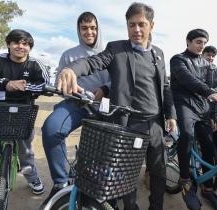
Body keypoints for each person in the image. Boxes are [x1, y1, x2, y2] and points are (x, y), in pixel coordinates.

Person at [55, 3, 177, 210]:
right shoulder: (116, 49)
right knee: (126, 175)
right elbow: (92, 62)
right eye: (131, 25)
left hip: (155, 123)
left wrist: (171, 114)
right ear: (127, 26)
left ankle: (156, 206)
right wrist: (70, 69)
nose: (136, 30)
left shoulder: (158, 53)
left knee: (159, 171)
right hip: (129, 124)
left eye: (142, 24)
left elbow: (165, 86)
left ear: (151, 26)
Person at [40, 11, 112, 206]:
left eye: (93, 28)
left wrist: (105, 89)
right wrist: (68, 89)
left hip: (104, 108)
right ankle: (60, 183)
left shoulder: (110, 51)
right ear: (78, 30)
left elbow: (119, 81)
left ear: (98, 29)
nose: (89, 32)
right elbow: (59, 82)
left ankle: (97, 187)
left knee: (106, 146)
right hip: (76, 103)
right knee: (51, 129)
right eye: (84, 28)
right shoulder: (68, 54)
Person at [170, 29, 217, 210]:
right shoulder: (178, 59)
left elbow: (210, 90)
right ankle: (185, 180)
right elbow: (187, 80)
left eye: (204, 42)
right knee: (186, 135)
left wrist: (211, 115)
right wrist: (211, 93)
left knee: (209, 143)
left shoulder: (208, 64)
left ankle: (207, 186)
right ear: (188, 42)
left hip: (202, 108)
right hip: (184, 105)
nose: (201, 45)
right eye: (197, 42)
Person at [0, 29, 50, 194]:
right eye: (16, 42)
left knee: (25, 148)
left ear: (30, 47)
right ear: (8, 44)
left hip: (24, 110)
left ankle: (32, 177)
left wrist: (24, 86)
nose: (20, 46)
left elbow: (45, 84)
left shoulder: (36, 64)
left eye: (25, 44)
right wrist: (6, 83)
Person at [202, 45, 217, 187]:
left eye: (213, 56)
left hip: (214, 112)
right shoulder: (196, 69)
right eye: (208, 55)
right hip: (197, 112)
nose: (210, 58)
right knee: (205, 145)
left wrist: (209, 92)